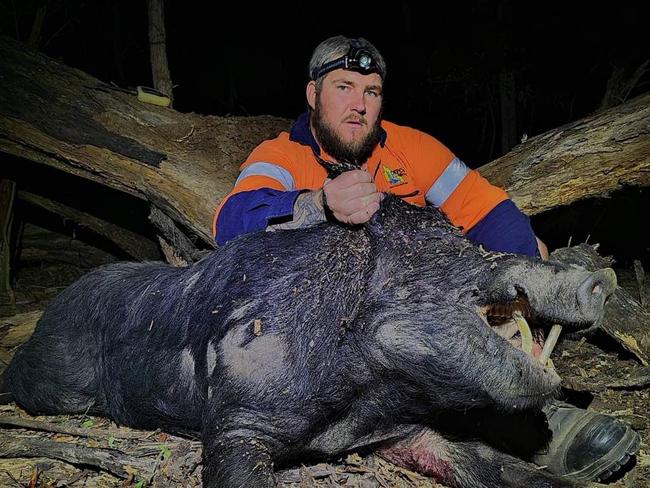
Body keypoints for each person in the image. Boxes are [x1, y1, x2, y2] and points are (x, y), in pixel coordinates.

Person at [212, 35, 639, 481]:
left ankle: (539, 414)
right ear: (312, 94)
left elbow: (489, 210)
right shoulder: (281, 155)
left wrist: (524, 283)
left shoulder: (410, 148)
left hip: (421, 326)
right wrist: (316, 204)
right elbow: (230, 222)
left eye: (371, 92)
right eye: (343, 87)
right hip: (326, 345)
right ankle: (532, 428)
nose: (358, 104)